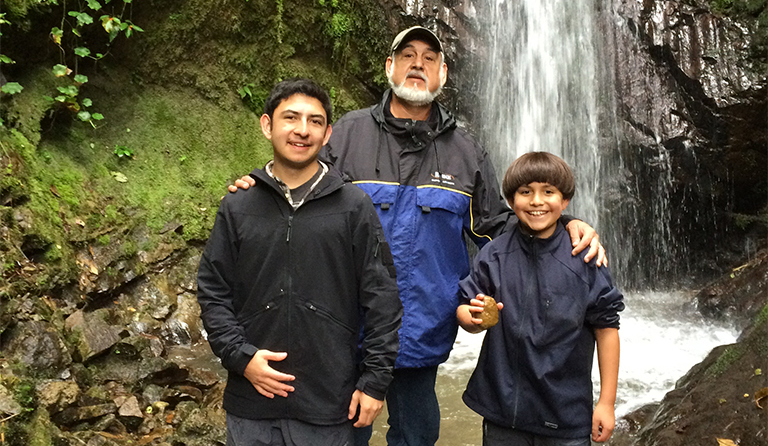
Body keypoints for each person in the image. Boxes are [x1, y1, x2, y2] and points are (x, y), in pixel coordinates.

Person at [229, 27, 606, 446]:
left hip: (423, 328)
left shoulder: (466, 151)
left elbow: (499, 228)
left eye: (429, 59)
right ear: (389, 67)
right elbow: (298, 194)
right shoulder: (348, 136)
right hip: (342, 329)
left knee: (416, 437)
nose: (417, 65)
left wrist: (567, 225)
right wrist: (257, 189)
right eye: (407, 55)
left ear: (442, 75)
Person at [198, 78, 403, 446]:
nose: (302, 130)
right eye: (291, 118)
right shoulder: (238, 205)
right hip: (251, 404)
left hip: (327, 404)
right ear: (267, 125)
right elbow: (213, 292)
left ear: (327, 134)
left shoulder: (353, 207)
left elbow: (382, 302)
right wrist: (241, 358)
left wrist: (374, 383)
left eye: (315, 121)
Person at [457, 151, 624, 445]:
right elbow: (465, 306)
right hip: (504, 412)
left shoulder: (585, 258)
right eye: (525, 192)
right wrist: (472, 319)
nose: (536, 201)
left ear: (565, 200)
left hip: (565, 414)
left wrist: (606, 403)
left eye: (548, 192)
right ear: (510, 201)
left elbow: (607, 328)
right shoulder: (495, 254)